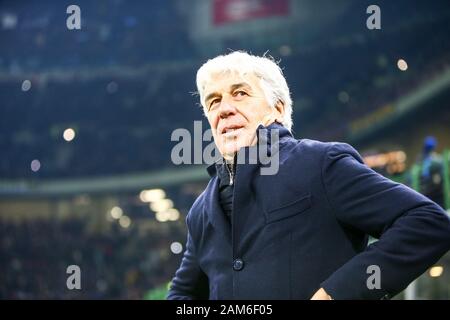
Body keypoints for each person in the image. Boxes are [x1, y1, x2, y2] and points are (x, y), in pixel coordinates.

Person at [167, 51, 450, 300]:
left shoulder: (320, 164)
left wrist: (336, 293)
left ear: (277, 109)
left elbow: (427, 223)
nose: (224, 109)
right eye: (213, 101)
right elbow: (183, 293)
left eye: (239, 93)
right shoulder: (201, 209)